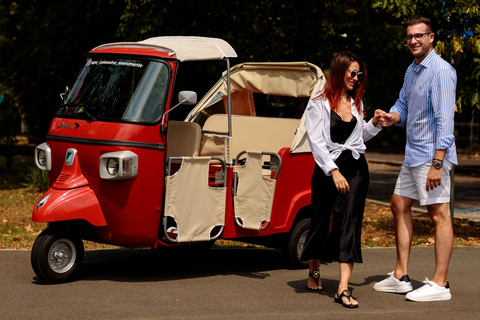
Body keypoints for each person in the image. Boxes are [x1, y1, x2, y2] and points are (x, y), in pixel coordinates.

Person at [373, 14, 457, 302]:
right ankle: (400, 276)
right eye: (409, 36)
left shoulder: (441, 71)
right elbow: (403, 104)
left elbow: (445, 121)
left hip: (432, 155)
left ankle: (440, 283)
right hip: (413, 154)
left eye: (419, 35)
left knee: (439, 214)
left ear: (431, 37)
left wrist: (437, 163)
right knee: (399, 204)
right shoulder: (412, 70)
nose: (413, 40)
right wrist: (390, 117)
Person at [300, 51, 386, 308]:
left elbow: (359, 139)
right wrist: (333, 171)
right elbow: (316, 142)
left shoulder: (356, 102)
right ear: (339, 72)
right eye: (352, 73)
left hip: (357, 169)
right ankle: (314, 266)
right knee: (322, 221)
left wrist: (375, 123)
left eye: (359, 74)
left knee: (350, 222)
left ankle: (343, 287)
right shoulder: (318, 103)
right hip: (328, 169)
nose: (356, 78)